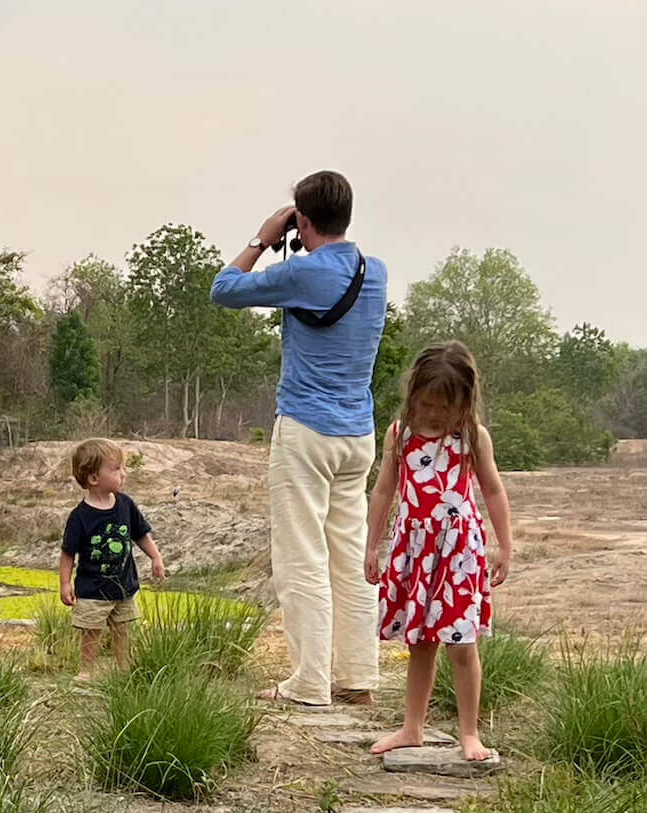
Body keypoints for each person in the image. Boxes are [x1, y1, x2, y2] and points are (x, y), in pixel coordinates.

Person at [211, 171, 387, 707]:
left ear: (302, 219)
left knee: (302, 556)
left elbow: (225, 289)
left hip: (306, 429)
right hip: (358, 432)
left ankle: (309, 681)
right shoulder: (374, 272)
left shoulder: (300, 272)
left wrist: (263, 238)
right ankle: (358, 675)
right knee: (351, 554)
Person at [364, 341, 512, 760]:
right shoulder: (400, 434)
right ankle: (412, 728)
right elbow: (384, 490)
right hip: (414, 551)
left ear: (465, 402)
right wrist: (372, 546)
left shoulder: (472, 437)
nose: (433, 414)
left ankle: (470, 733)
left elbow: (494, 490)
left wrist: (504, 546)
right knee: (420, 642)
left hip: (459, 552)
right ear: (413, 395)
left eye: (443, 406)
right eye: (426, 403)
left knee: (462, 645)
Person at [60, 438, 165, 681]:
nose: (123, 474)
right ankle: (86, 671)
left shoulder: (126, 505)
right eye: (116, 469)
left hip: (124, 586)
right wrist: (65, 584)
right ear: (94, 478)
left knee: (123, 628)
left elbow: (141, 535)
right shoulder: (79, 517)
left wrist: (156, 557)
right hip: (92, 590)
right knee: (91, 631)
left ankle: (123, 668)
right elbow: (68, 553)